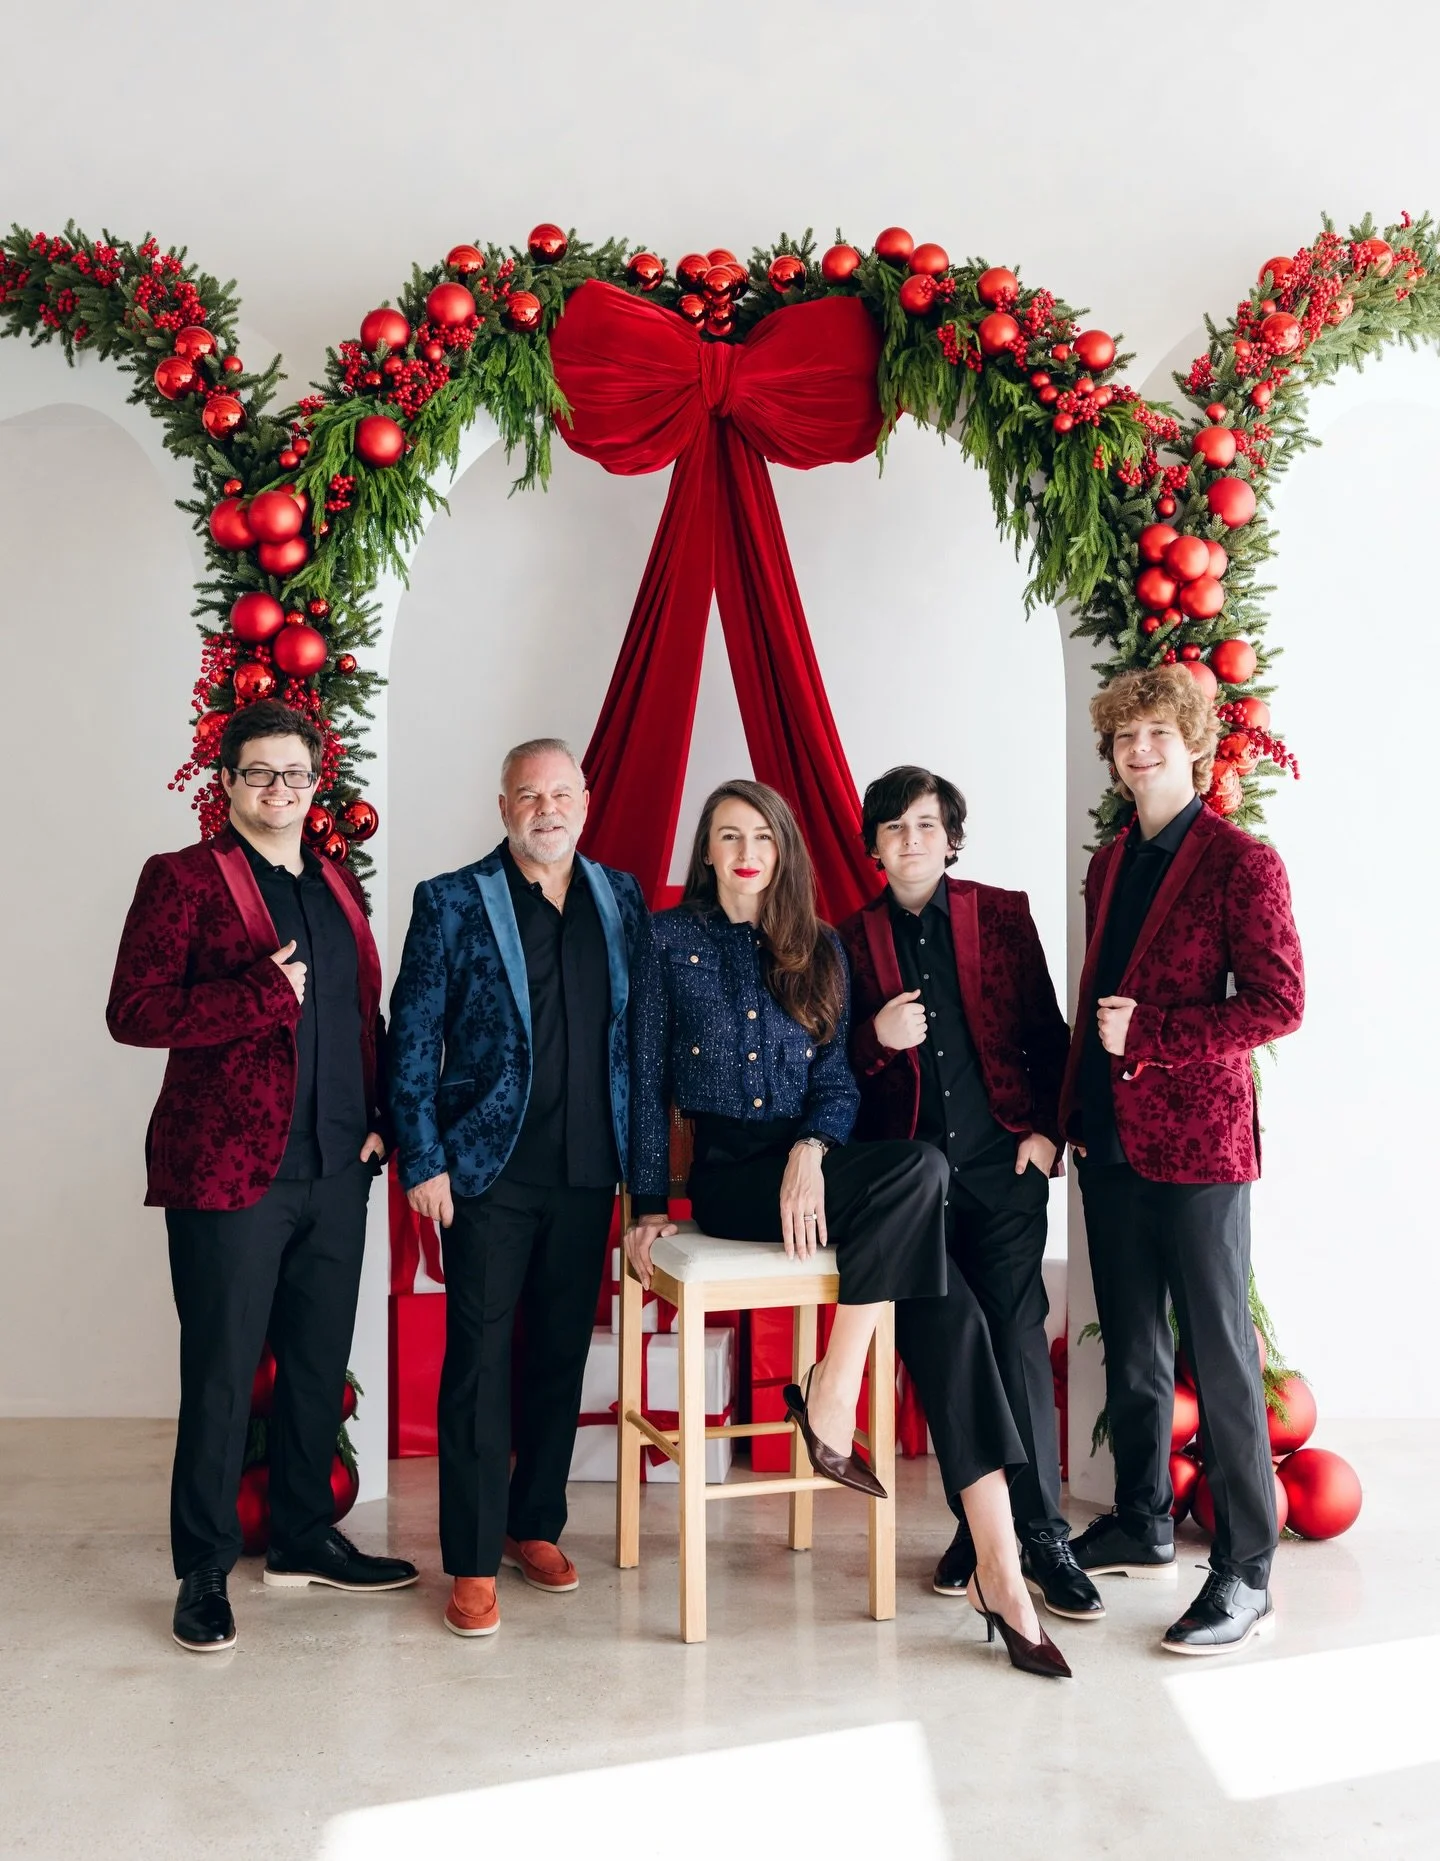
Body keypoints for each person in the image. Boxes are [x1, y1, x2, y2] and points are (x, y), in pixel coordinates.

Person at [626, 779, 1071, 1679]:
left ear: (785, 848)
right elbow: (640, 1082)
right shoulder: (666, 938)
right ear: (706, 853)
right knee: (922, 1173)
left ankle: (1001, 1566)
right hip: (729, 1178)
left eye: (762, 834)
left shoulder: (819, 947)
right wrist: (643, 1203)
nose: (747, 850)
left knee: (954, 1313)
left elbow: (835, 1080)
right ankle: (831, 1400)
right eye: (727, 835)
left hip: (809, 1168)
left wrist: (816, 1148)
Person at [106, 700, 417, 1656]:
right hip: (228, 1173)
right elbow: (133, 1010)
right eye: (259, 774)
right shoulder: (184, 879)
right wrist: (255, 994)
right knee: (222, 1376)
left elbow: (363, 1018)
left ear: (316, 781)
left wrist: (382, 1125)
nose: (279, 789)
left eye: (294, 773)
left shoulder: (334, 881)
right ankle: (202, 1568)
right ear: (227, 783)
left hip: (335, 1168)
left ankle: (302, 1536)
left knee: (317, 1367)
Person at [1060, 666, 1304, 1655]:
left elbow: (1278, 1005)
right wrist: (1074, 1110)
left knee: (1218, 1354)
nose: (1141, 750)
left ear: (1195, 743)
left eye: (1159, 732)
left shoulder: (1243, 863)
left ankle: (1247, 1569)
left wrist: (1152, 1033)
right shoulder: (1111, 864)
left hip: (1202, 1149)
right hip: (1111, 1145)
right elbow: (1094, 1001)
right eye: (1126, 738)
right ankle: (1143, 1517)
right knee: (1131, 1340)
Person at [388, 739, 650, 1640]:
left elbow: (638, 1048)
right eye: (528, 795)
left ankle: (532, 1523)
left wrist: (643, 1183)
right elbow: (412, 1037)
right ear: (504, 807)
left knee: (558, 1361)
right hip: (486, 1176)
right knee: (478, 1366)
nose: (547, 808)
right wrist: (421, 1158)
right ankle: (468, 1562)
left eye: (562, 793)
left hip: (589, 1175)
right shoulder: (453, 900)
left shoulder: (621, 898)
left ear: (587, 800)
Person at [840, 766, 1101, 1623]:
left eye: (926, 825)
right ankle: (976, 1523)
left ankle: (1044, 1533)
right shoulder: (848, 939)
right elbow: (836, 1073)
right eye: (894, 828)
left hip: (1004, 1165)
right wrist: (877, 1042)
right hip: (911, 1185)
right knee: (952, 1347)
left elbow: (1045, 1031)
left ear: (950, 838)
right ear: (874, 846)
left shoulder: (999, 912)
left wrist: (1047, 1134)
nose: (911, 840)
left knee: (1018, 1339)